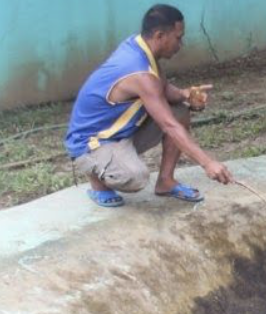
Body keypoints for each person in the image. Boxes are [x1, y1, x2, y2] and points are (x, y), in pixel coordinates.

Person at [64, 4, 232, 207]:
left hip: (120, 133)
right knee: (135, 176)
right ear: (160, 35)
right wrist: (208, 163)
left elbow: (162, 88)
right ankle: (98, 182)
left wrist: (186, 94)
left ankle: (165, 182)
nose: (181, 44)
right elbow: (168, 125)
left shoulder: (140, 46)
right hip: (90, 144)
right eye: (178, 38)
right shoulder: (139, 72)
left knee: (179, 110)